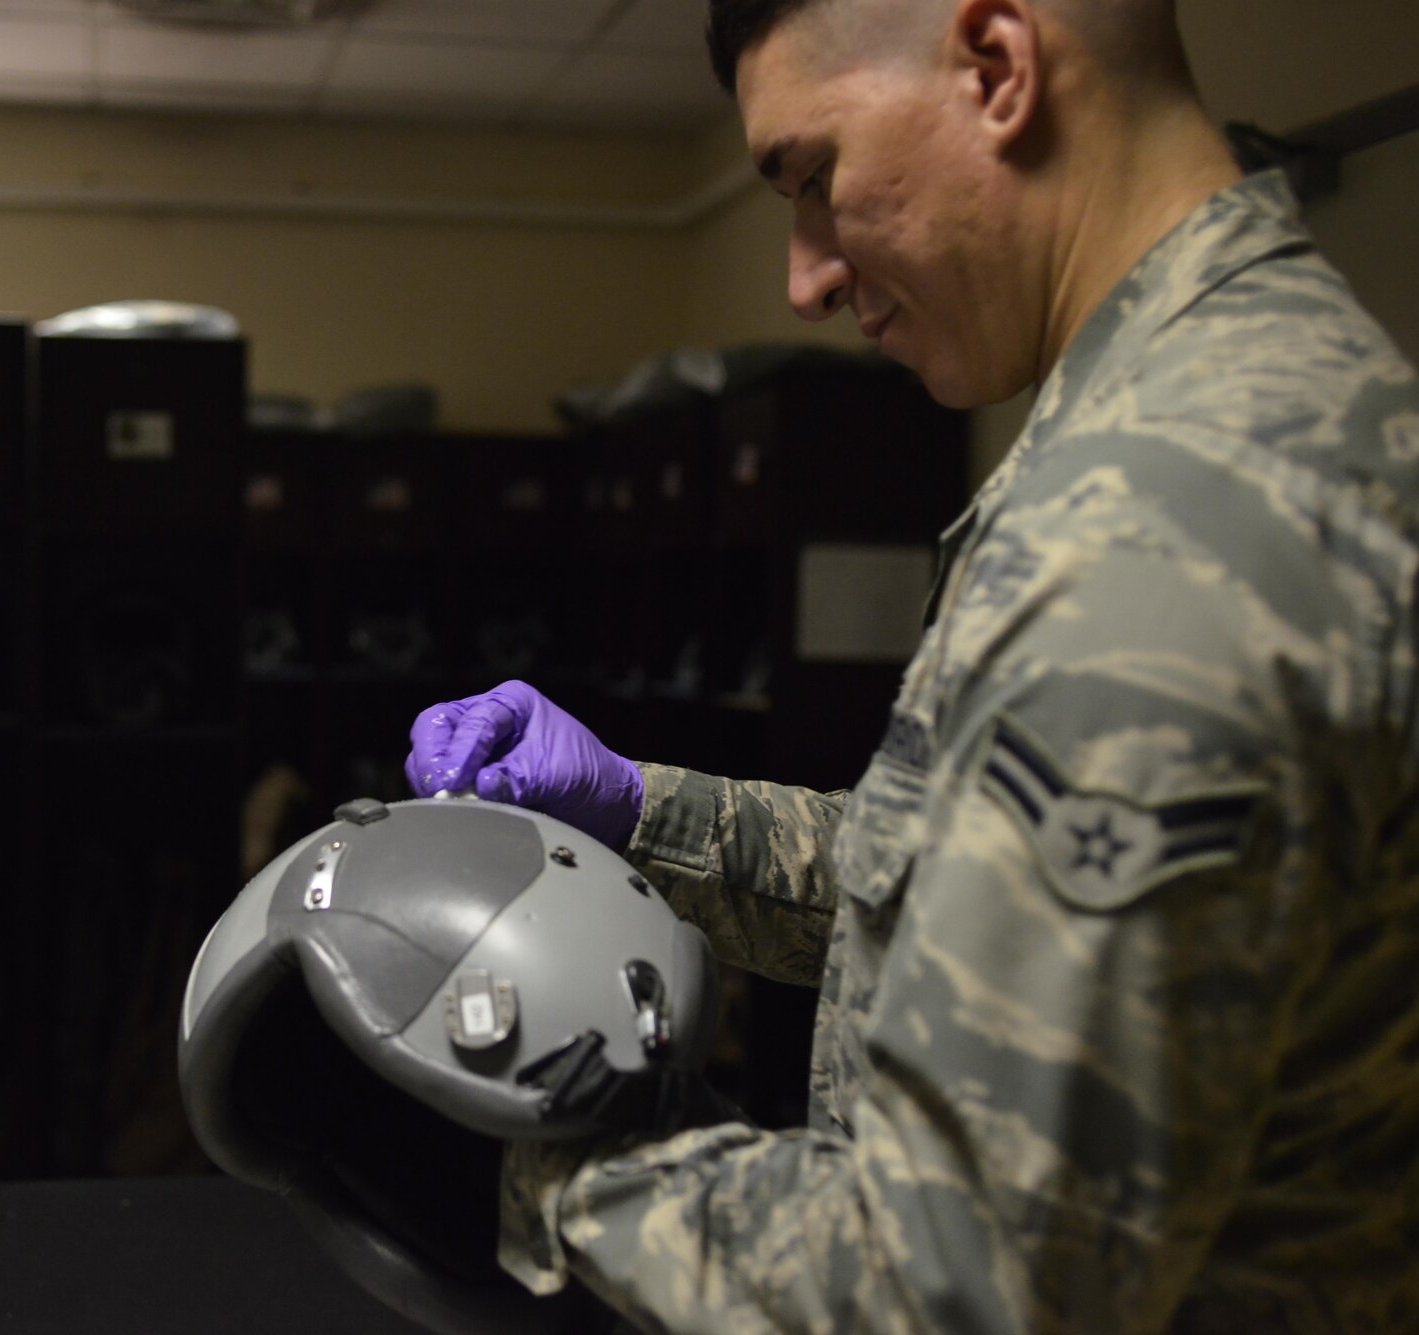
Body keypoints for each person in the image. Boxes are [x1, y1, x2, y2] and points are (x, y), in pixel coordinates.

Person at [402, 0, 1419, 1329]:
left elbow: (953, 1287)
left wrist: (523, 1142)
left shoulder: (1161, 531)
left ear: (996, 69)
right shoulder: (1216, 408)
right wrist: (646, 815)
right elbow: (962, 902)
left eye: (813, 180)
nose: (805, 278)